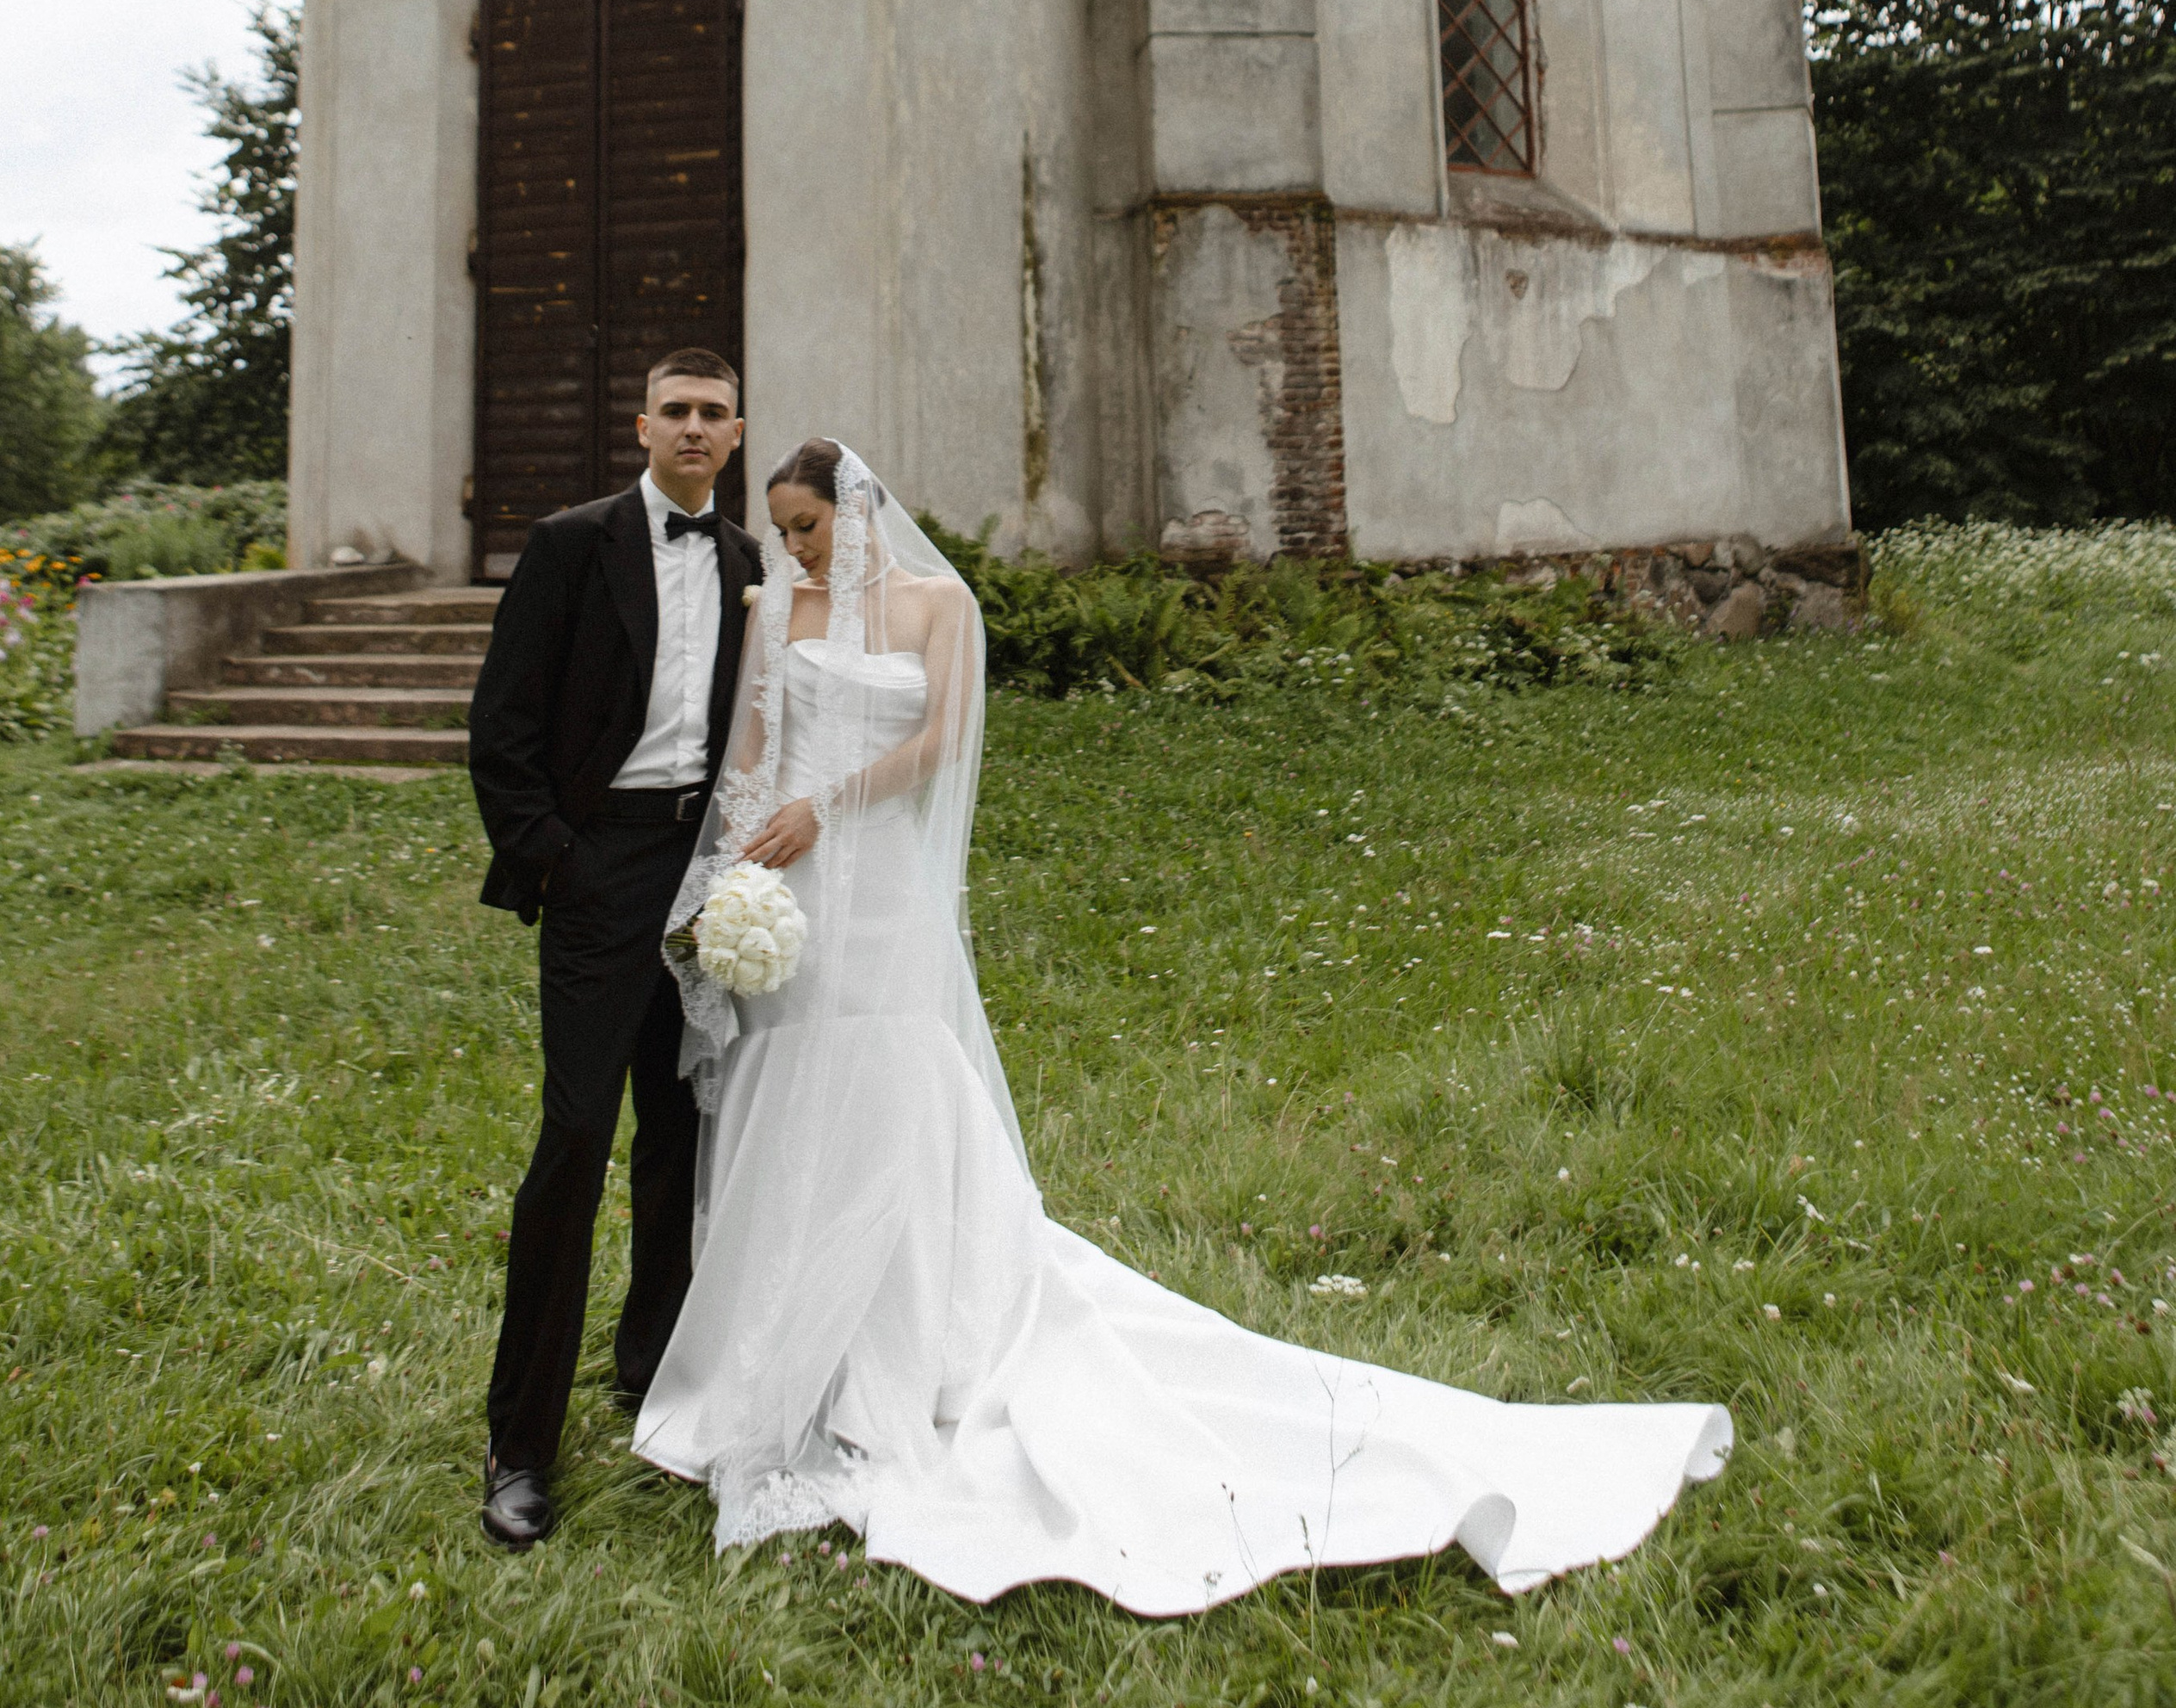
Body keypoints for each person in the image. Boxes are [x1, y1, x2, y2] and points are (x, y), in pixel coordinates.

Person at [633, 440, 1732, 1613]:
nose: (797, 549)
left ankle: (904, 1353)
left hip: (882, 882)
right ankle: (782, 1361)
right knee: (789, 1092)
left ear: (857, 514)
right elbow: (750, 755)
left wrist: (827, 807)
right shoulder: (776, 610)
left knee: (891, 1084)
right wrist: (733, 880)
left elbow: (938, 744)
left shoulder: (937, 605)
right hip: (792, 889)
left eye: (809, 527)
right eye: (786, 530)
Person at [467, 349, 763, 1551]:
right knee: (577, 1138)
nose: (692, 428)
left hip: (705, 874)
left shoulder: (750, 563)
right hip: (600, 871)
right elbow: (503, 724)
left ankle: (655, 1379)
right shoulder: (569, 544)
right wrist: (556, 861)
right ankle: (519, 1441)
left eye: (713, 413)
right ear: (642, 426)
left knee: (680, 1138)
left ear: (737, 434)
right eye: (674, 411)